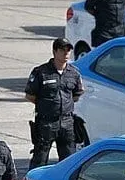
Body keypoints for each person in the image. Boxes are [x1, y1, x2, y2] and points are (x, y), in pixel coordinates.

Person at [25, 37, 85, 169]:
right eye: (62, 50)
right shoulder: (41, 72)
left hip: (67, 122)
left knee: (69, 160)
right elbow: (30, 95)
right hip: (46, 122)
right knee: (40, 158)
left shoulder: (73, 73)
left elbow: (76, 94)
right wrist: (47, 106)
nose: (66, 53)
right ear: (54, 51)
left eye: (68, 50)